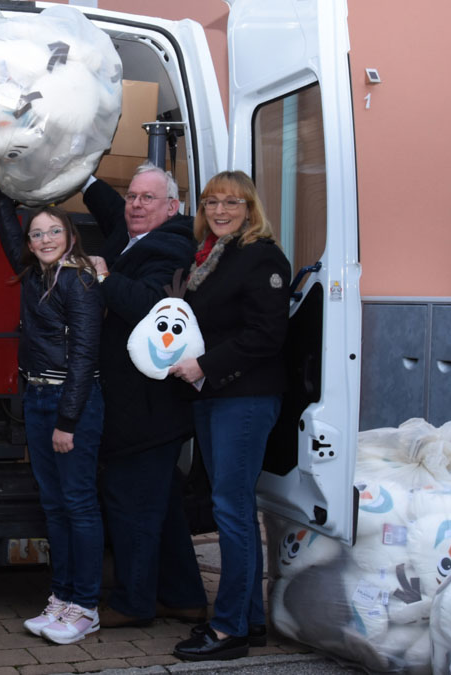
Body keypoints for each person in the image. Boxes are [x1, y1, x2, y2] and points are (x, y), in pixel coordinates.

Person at [169, 170, 290, 661]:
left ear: (250, 209)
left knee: (232, 512)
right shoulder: (213, 258)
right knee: (236, 509)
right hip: (216, 396)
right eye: (212, 202)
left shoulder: (261, 257)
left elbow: (267, 335)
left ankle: (228, 631)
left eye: (232, 203)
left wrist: (204, 364)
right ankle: (251, 622)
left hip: (244, 398)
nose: (220, 211)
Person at [82, 164, 208, 627]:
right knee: (163, 506)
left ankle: (133, 604)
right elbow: (116, 212)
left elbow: (153, 311)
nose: (135, 204)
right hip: (145, 409)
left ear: (172, 208)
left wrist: (104, 276)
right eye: (132, 196)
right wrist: (85, 178)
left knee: (130, 504)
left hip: (147, 411)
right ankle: (184, 597)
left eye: (147, 199)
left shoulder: (172, 247)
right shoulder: (138, 234)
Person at [0, 183, 105, 645]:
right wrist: (0, 196)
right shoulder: (37, 274)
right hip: (38, 398)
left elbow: (84, 357)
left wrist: (68, 421)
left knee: (78, 505)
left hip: (69, 403)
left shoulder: (78, 281)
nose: (44, 240)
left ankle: (87, 607)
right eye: (36, 234)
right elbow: (7, 238)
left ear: (70, 235)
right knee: (55, 506)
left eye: (54, 231)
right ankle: (62, 598)